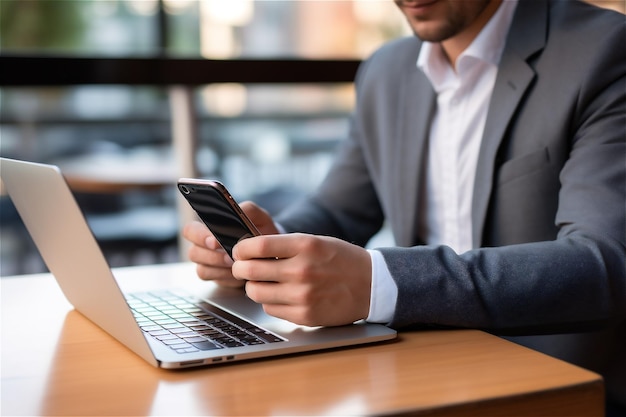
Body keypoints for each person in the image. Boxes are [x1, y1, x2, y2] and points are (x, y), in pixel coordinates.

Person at [184, 0, 625, 413]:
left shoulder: (603, 50)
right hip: (421, 369)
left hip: (564, 383)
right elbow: (340, 210)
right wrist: (264, 250)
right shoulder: (386, 70)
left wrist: (380, 283)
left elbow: (604, 262)